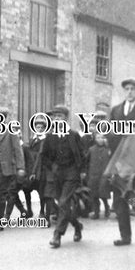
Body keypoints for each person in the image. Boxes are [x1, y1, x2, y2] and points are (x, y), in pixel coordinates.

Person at [108, 77, 135, 246]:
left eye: (133, 89)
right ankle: (125, 236)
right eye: (127, 89)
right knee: (119, 199)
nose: (130, 92)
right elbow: (110, 132)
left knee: (133, 196)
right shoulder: (116, 111)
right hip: (118, 162)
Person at [44, 105, 85, 248]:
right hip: (57, 175)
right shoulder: (50, 137)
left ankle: (57, 235)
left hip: (71, 174)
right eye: (54, 116)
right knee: (63, 205)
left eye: (59, 116)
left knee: (62, 203)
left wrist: (81, 171)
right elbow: (45, 157)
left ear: (66, 119)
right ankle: (77, 225)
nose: (56, 119)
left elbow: (82, 155)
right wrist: (53, 167)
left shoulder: (73, 135)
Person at [87, 132, 111, 219]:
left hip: (104, 175)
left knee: (103, 194)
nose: (100, 140)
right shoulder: (91, 150)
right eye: (98, 137)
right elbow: (87, 162)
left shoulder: (108, 150)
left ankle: (106, 207)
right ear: (95, 139)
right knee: (94, 195)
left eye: (102, 137)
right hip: (93, 175)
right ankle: (96, 212)